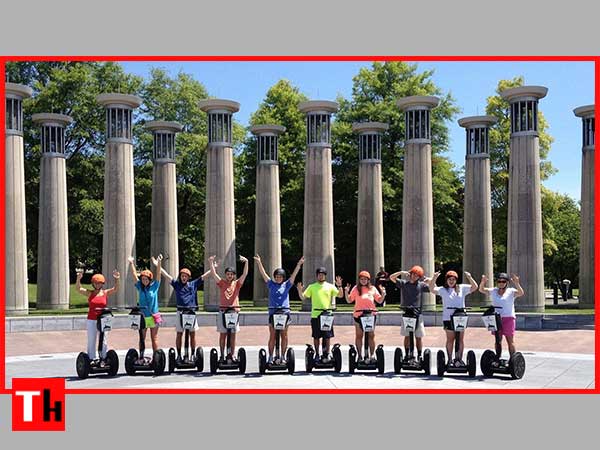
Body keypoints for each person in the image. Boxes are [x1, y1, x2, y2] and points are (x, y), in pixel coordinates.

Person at [254, 254, 304, 364]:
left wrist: (299, 265)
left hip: (284, 312)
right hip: (273, 312)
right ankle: (271, 357)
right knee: (272, 335)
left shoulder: (287, 285)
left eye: (280, 276)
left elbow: (294, 276)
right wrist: (259, 262)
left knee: (284, 335)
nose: (278, 278)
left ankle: (283, 356)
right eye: (276, 276)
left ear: (283, 277)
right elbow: (263, 274)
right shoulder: (271, 284)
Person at [160, 265, 212, 363]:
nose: (183, 278)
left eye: (185, 276)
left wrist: (213, 267)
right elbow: (167, 276)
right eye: (182, 276)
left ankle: (192, 354)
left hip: (191, 312)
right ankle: (179, 355)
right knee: (179, 334)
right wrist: (158, 265)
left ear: (188, 277)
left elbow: (204, 276)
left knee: (192, 334)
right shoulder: (177, 284)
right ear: (180, 277)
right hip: (180, 312)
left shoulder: (193, 284)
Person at [428, 270, 478, 366]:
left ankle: (459, 359)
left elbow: (475, 287)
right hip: (448, 318)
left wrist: (469, 277)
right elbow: (431, 289)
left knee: (460, 339)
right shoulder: (443, 290)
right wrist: (434, 277)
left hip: (461, 317)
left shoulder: (462, 288)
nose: (451, 281)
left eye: (453, 279)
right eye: (449, 279)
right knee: (450, 339)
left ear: (456, 280)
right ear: (446, 280)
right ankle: (450, 359)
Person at [296, 267, 344, 363]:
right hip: (316, 314)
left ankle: (327, 353)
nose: (320, 276)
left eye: (322, 274)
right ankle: (317, 353)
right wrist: (299, 290)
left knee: (327, 336)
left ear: (325, 276)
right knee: (316, 336)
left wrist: (339, 286)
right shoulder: (312, 286)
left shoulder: (330, 286)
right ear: (317, 275)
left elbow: (340, 295)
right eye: (319, 274)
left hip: (327, 314)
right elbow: (303, 297)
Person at [206, 254, 249, 361]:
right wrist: (211, 262)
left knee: (233, 335)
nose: (229, 276)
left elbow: (245, 274)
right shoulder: (222, 283)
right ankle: (221, 355)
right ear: (225, 275)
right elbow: (214, 274)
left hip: (234, 312)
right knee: (223, 334)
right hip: (223, 311)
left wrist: (247, 262)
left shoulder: (237, 284)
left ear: (234, 275)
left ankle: (232, 355)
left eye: (231, 274)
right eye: (228, 274)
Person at [76, 268, 120, 366]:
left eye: (99, 283)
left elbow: (116, 289)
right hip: (92, 320)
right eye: (96, 283)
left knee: (103, 340)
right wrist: (78, 278)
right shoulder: (90, 293)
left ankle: (103, 358)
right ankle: (91, 359)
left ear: (102, 284)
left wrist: (117, 279)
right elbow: (78, 289)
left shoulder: (105, 293)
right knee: (92, 340)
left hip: (104, 319)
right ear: (93, 284)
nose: (97, 285)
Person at [479, 273, 525, 360]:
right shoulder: (493, 291)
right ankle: (497, 358)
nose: (501, 283)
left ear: (507, 282)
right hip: (496, 318)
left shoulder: (511, 291)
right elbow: (481, 290)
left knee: (510, 340)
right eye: (499, 281)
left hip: (508, 318)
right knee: (497, 340)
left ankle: (513, 360)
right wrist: (483, 282)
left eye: (503, 281)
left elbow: (521, 293)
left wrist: (517, 283)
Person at [389, 265, 430, 361]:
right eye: (413, 274)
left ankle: (419, 355)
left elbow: (434, 289)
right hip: (407, 313)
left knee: (418, 337)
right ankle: (407, 354)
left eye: (417, 275)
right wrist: (401, 272)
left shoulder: (421, 285)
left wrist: (430, 280)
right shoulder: (404, 283)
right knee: (407, 336)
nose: (414, 276)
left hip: (417, 313)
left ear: (419, 277)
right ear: (410, 274)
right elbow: (391, 277)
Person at [344, 270, 386, 362]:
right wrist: (346, 292)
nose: (363, 281)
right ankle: (359, 356)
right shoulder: (356, 288)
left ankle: (372, 355)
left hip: (370, 314)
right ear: (359, 280)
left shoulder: (372, 289)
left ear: (368, 280)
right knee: (359, 335)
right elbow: (349, 300)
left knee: (371, 335)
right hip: (358, 314)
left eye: (365, 279)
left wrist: (383, 294)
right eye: (361, 279)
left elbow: (379, 300)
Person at [128, 255, 162, 364]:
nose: (144, 281)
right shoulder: (140, 287)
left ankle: (156, 359)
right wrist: (131, 263)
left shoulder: (154, 286)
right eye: (143, 279)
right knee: (142, 338)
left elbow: (158, 275)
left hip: (152, 316)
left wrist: (158, 264)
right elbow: (134, 275)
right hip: (143, 316)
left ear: (149, 279)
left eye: (146, 279)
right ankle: (141, 357)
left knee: (154, 338)